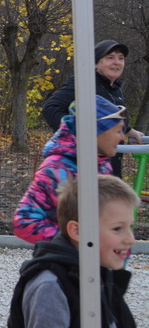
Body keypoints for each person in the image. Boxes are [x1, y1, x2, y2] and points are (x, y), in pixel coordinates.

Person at [0, 174, 145, 328]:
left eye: (130, 227)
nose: (130, 238)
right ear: (78, 231)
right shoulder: (50, 285)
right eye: (117, 229)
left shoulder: (103, 275)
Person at [14, 95, 125, 244]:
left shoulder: (101, 163)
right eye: (118, 131)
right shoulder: (56, 169)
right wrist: (77, 241)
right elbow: (24, 222)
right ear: (96, 132)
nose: (122, 137)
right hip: (66, 257)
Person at [42, 39, 144, 177]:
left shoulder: (115, 88)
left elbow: (108, 120)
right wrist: (81, 135)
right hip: (86, 167)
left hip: (109, 164)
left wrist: (128, 130)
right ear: (96, 63)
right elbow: (50, 108)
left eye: (121, 58)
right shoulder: (84, 82)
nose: (117, 62)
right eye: (110, 58)